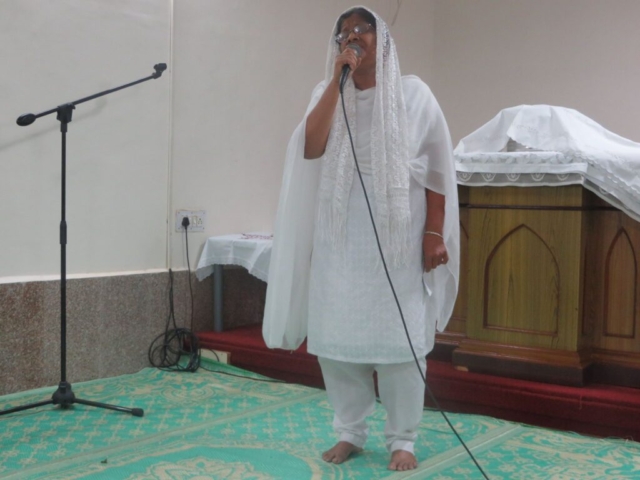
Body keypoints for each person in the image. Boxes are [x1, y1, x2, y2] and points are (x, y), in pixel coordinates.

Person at [263, 6, 459, 472]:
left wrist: (434, 233)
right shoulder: (327, 91)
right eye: (343, 32)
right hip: (340, 238)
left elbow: (437, 171)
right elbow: (311, 147)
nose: (351, 37)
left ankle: (403, 438)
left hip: (398, 239)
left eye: (361, 29)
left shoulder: (415, 94)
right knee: (336, 340)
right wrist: (336, 81)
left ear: (382, 38)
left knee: (400, 343)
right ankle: (349, 431)